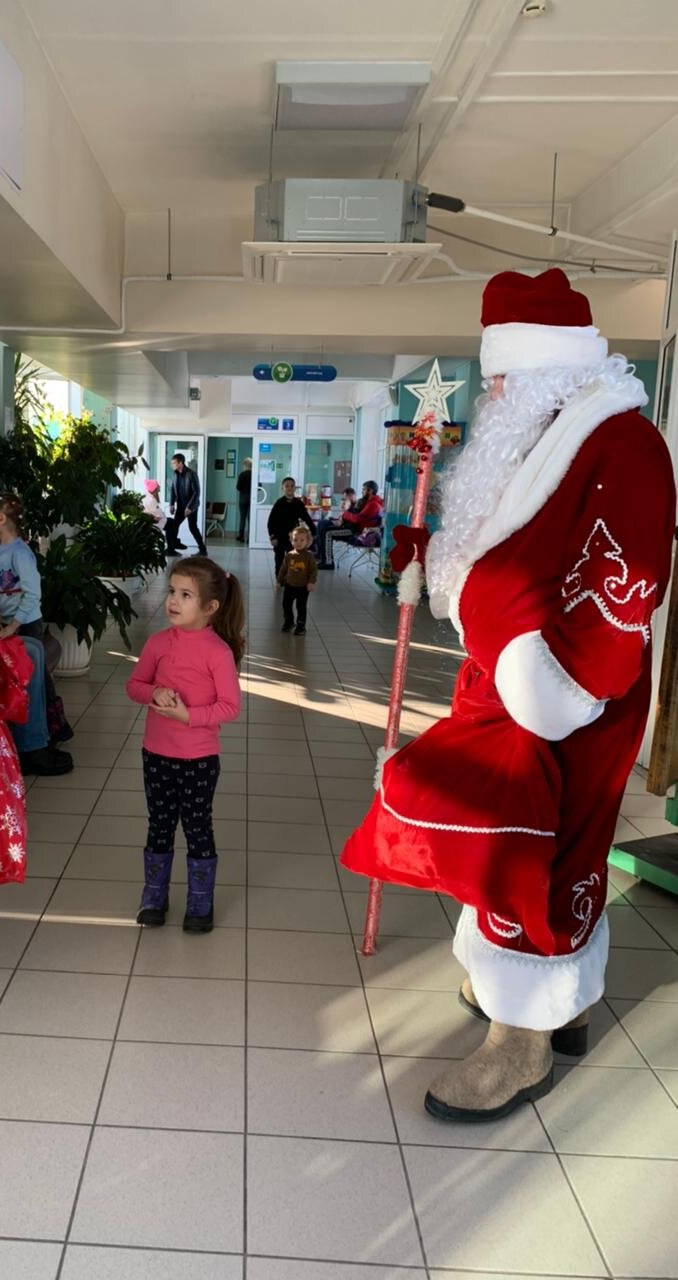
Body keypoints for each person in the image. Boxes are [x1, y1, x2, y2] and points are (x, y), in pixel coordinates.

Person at [342, 268, 676, 1122]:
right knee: (512, 837)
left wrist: (549, 676)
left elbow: (619, 585)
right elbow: (497, 549)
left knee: (542, 850)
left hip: (566, 692)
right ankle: (546, 1004)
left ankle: (523, 1042)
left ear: (546, 371)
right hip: (505, 677)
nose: (491, 390)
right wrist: (433, 559)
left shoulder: (625, 447)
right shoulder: (540, 433)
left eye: (502, 376)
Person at [125, 556, 244, 933]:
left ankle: (199, 902)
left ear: (210, 608)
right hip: (156, 754)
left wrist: (187, 717)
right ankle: (154, 895)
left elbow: (230, 707)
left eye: (185, 595)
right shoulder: (158, 644)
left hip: (198, 759)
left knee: (196, 826)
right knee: (159, 825)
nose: (173, 601)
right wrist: (154, 692)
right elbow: (134, 685)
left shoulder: (217, 653)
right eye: (172, 592)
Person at [0, 493, 73, 776]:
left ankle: (52, 728)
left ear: (1, 519)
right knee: (23, 675)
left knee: (37, 677)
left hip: (26, 623)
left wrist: (14, 627)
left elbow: (33, 595)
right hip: (7, 623)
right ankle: (41, 733)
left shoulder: (21, 553)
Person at [317, 481, 384, 569]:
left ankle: (328, 563)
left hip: (355, 531)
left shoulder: (373, 504)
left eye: (364, 489)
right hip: (352, 527)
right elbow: (356, 516)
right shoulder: (368, 502)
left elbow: (357, 519)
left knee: (327, 532)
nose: (362, 492)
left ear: (370, 491)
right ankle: (323, 559)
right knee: (324, 526)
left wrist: (344, 515)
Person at [267, 477, 316, 577]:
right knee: (279, 560)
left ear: (295, 488)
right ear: (283, 488)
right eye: (287, 486)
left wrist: (314, 531)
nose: (289, 488)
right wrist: (272, 537)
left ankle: (292, 580)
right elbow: (270, 522)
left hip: (293, 537)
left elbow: (307, 518)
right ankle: (279, 580)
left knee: (293, 560)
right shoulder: (279, 503)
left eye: (292, 486)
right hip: (279, 536)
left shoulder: (298, 504)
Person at [277, 523, 318, 634]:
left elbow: (313, 571)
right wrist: (279, 581)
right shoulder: (289, 555)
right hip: (289, 585)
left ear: (308, 542)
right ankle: (289, 622)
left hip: (303, 587)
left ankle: (301, 626)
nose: (298, 543)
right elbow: (283, 569)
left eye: (302, 540)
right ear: (291, 540)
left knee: (301, 606)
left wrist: (311, 582)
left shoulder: (309, 556)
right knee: (286, 604)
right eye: (295, 540)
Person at [165, 452, 207, 556]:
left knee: (192, 527)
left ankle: (202, 550)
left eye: (174, 463)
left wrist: (189, 507)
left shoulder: (191, 474)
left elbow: (196, 492)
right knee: (174, 525)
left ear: (180, 463)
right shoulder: (175, 474)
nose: (172, 465)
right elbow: (172, 490)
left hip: (191, 506)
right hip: (180, 506)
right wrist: (171, 504)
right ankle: (172, 548)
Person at [235, 457, 253, 541]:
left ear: (245, 465)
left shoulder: (242, 474)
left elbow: (238, 487)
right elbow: (259, 487)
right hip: (252, 498)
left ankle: (241, 536)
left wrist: (243, 490)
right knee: (250, 518)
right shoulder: (254, 474)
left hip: (243, 498)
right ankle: (250, 538)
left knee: (242, 517)